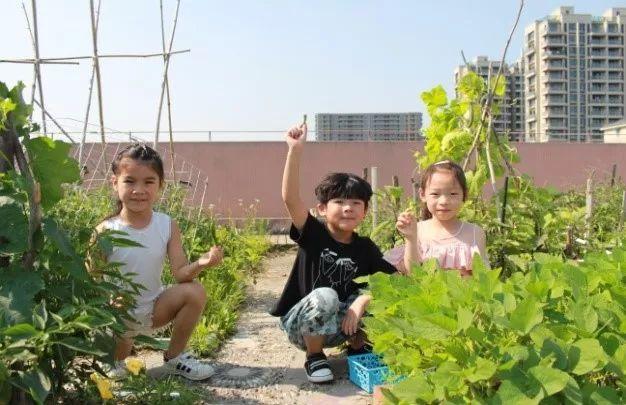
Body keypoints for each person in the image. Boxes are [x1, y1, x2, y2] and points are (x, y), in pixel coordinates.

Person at [270, 122, 400, 383]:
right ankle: (315, 357)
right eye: (339, 202)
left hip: (341, 325)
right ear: (321, 209)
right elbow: (290, 198)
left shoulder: (365, 247)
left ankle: (357, 346)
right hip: (302, 325)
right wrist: (294, 151)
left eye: (356, 203)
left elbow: (393, 281)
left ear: (364, 212)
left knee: (372, 294)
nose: (348, 208)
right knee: (326, 296)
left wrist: (362, 302)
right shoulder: (313, 234)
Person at [96, 144, 223, 381]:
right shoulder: (105, 230)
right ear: (115, 183)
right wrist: (107, 302)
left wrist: (201, 263)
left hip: (154, 308)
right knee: (116, 376)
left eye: (149, 182)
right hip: (116, 314)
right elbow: (89, 280)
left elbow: (180, 274)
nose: (139, 190)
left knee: (194, 291)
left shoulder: (166, 224)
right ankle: (115, 362)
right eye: (130, 181)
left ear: (160, 186)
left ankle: (175, 357)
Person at [389, 160, 489, 276]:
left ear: (464, 195)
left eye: (453, 194)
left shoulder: (475, 232)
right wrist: (411, 238)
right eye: (435, 194)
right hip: (426, 293)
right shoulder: (418, 230)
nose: (444, 201)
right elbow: (413, 274)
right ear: (422, 195)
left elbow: (481, 277)